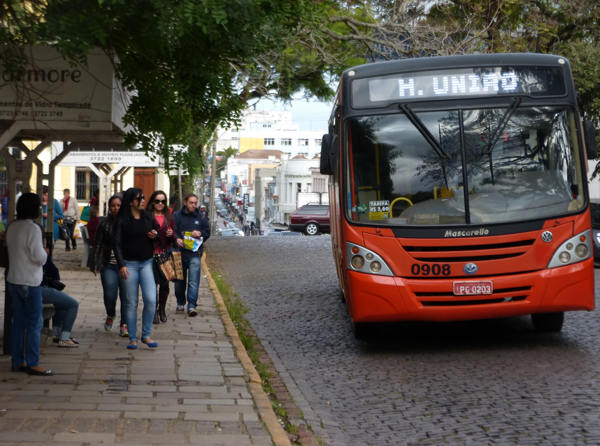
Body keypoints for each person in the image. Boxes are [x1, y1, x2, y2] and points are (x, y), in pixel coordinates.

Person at [7, 193, 52, 376]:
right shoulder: (33, 229)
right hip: (30, 281)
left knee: (18, 322)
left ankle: (17, 360)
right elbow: (38, 258)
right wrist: (45, 252)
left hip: (14, 279)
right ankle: (33, 362)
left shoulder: (12, 226)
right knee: (35, 322)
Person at [113, 188, 158, 349]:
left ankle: (146, 334)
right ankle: (133, 337)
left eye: (144, 197)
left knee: (151, 299)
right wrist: (121, 265)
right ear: (131, 201)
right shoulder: (122, 219)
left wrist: (155, 235)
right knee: (131, 303)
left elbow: (157, 234)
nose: (143, 200)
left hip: (146, 262)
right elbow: (116, 243)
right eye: (140, 198)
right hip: (129, 264)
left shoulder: (148, 216)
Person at [92, 196, 128, 337]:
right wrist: (95, 263)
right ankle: (110, 314)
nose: (116, 208)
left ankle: (124, 324)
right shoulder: (104, 224)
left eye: (119, 205)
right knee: (110, 294)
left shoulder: (128, 223)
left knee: (126, 297)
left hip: (126, 265)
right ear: (109, 208)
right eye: (113, 205)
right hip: (109, 264)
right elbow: (98, 245)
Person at [173, 193, 210, 317]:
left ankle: (192, 305)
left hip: (195, 253)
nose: (194, 205)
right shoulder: (177, 216)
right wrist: (176, 239)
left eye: (195, 203)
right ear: (185, 202)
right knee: (179, 281)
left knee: (193, 281)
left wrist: (200, 233)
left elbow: (207, 232)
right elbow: (172, 231)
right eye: (191, 203)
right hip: (179, 253)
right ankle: (180, 302)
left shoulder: (201, 216)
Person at [146, 190, 176, 324]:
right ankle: (153, 312)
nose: (160, 204)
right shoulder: (147, 216)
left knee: (165, 284)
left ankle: (162, 310)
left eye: (163, 201)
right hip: (150, 255)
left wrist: (171, 234)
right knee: (152, 285)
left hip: (165, 254)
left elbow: (174, 238)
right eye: (157, 201)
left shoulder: (169, 218)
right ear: (153, 201)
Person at [42, 256, 79, 348]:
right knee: (73, 305)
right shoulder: (39, 255)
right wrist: (45, 256)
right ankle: (65, 338)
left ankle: (57, 333)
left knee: (61, 302)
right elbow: (55, 274)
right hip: (40, 289)